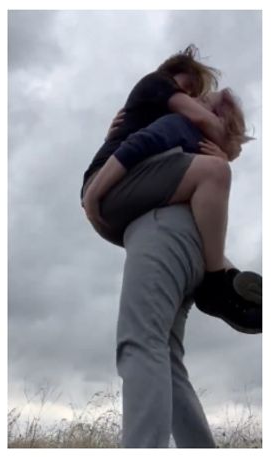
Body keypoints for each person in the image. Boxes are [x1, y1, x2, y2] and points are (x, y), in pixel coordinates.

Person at [80, 45, 261, 333]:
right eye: (189, 89)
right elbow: (201, 125)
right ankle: (216, 281)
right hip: (107, 187)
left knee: (200, 222)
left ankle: (231, 286)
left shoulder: (175, 134)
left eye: (196, 95)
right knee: (214, 173)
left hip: (129, 200)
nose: (189, 100)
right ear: (172, 75)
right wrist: (226, 148)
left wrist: (225, 148)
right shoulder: (159, 88)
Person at [118, 205, 220, 447]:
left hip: (160, 232)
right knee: (168, 362)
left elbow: (213, 173)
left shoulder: (159, 169)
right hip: (188, 238)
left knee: (141, 344)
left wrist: (92, 198)